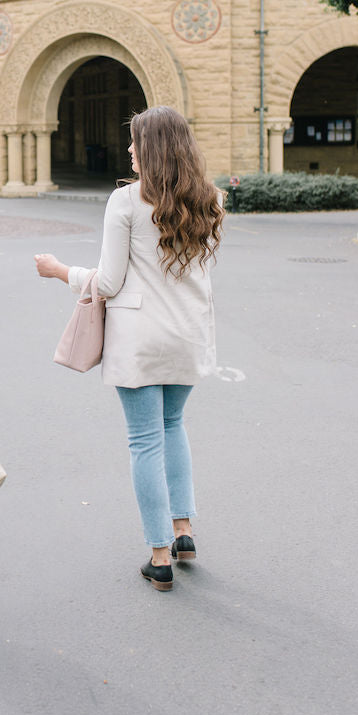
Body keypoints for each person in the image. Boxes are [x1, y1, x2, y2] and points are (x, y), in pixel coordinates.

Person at [35, 105, 224, 592]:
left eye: (136, 141)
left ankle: (159, 555)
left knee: (145, 440)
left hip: (140, 339)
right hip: (188, 336)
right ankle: (183, 532)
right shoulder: (210, 200)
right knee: (173, 424)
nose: (129, 150)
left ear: (154, 148)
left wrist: (61, 271)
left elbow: (111, 282)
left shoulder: (125, 202)